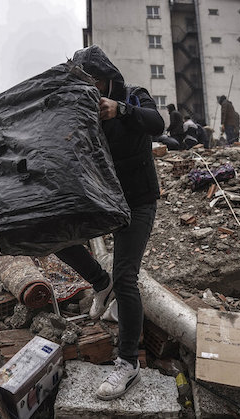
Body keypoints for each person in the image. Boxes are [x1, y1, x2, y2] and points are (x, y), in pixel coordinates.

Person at [55, 45, 164, 401]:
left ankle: (128, 363)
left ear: (106, 78)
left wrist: (121, 111)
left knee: (126, 276)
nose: (91, 89)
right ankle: (100, 284)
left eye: (94, 82)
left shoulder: (134, 97)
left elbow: (158, 124)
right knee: (57, 235)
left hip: (138, 201)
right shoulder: (81, 112)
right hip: (103, 201)